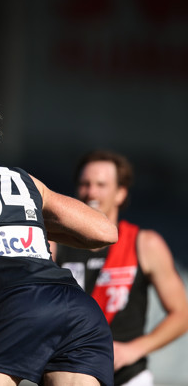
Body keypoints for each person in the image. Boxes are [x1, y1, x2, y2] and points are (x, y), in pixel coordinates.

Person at [50, 150, 188, 386]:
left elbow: (182, 314)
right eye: (85, 184)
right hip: (69, 373)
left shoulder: (144, 243)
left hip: (127, 377)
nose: (91, 192)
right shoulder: (54, 244)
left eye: (101, 185)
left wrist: (133, 350)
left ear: (120, 193)